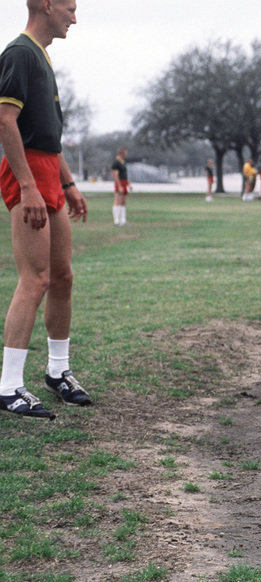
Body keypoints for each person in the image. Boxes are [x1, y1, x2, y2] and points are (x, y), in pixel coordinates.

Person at [0, 0, 91, 418]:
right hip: (28, 172)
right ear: (47, 5)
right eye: (70, 8)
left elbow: (49, 132)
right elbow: (5, 121)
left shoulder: (42, 55)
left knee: (62, 277)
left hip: (49, 171)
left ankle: (57, 371)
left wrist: (68, 183)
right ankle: (8, 387)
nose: (74, 16)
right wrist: (29, 185)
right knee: (34, 279)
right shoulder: (19, 53)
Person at [111, 146, 129, 225]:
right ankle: (116, 220)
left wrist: (129, 183)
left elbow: (125, 174)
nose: (126, 153)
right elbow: (115, 175)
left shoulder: (123, 162)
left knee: (123, 201)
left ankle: (123, 220)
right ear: (121, 153)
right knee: (117, 201)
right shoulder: (116, 163)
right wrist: (119, 186)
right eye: (125, 152)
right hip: (119, 182)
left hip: (125, 182)